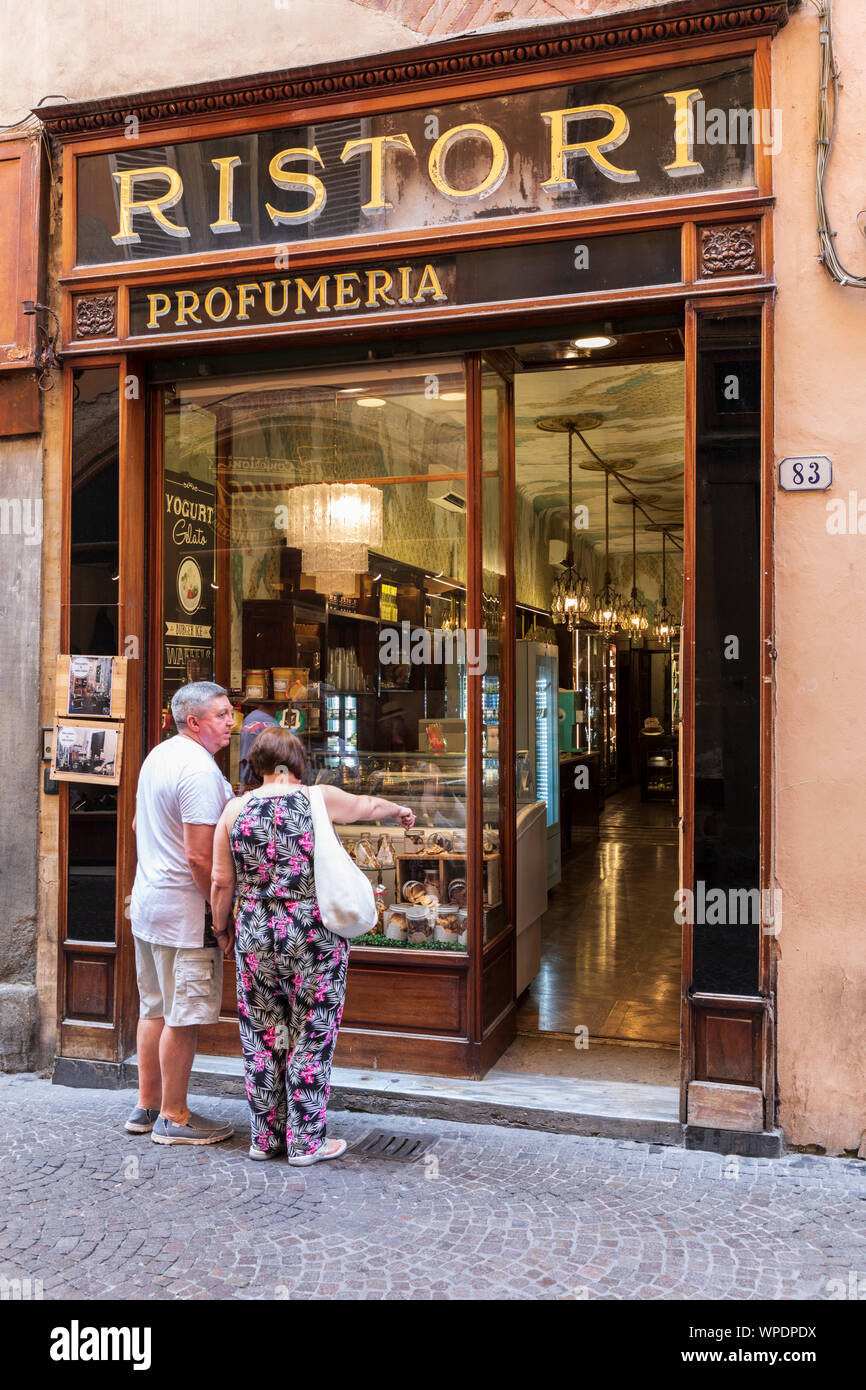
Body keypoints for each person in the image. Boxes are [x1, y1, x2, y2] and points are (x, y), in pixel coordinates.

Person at [210, 726, 415, 1165]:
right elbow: (365, 806)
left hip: (255, 932)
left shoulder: (234, 809)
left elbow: (220, 881)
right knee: (312, 1033)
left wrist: (221, 928)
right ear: (297, 763)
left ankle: (265, 1139)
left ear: (255, 765)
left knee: (263, 1037)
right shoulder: (316, 797)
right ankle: (307, 1141)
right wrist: (399, 809)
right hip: (313, 933)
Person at [127, 680, 236, 1146]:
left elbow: (137, 824)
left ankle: (146, 1107)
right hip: (183, 915)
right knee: (181, 1017)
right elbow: (199, 857)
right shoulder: (198, 770)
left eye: (231, 712)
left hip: (149, 906)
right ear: (195, 722)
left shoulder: (159, 755)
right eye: (222, 715)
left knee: (153, 1009)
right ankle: (174, 1116)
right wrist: (219, 917)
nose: (232, 721)